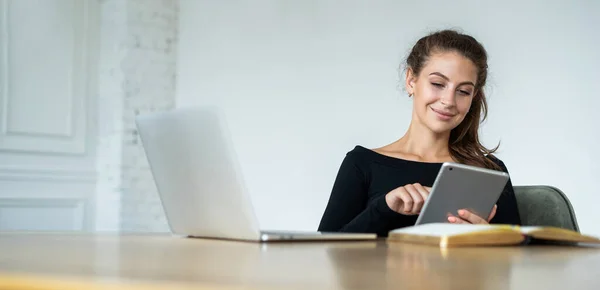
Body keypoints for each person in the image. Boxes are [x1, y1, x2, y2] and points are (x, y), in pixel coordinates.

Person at [317, 29, 522, 237]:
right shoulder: (362, 163)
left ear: (473, 97)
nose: (449, 101)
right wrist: (384, 208)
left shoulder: (488, 172)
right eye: (437, 84)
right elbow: (324, 251)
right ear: (410, 80)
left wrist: (490, 238)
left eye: (463, 91)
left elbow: (522, 261)